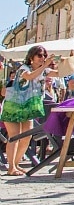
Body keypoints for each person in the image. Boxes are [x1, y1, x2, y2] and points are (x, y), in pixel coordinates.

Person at [2, 45, 56, 176]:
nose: (43, 58)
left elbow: (63, 73)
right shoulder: (23, 69)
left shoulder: (44, 70)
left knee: (26, 136)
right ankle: (11, 167)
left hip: (28, 107)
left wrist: (68, 61)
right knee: (14, 136)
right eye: (40, 55)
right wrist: (45, 66)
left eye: (44, 55)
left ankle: (16, 163)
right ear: (31, 57)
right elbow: (30, 76)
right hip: (13, 105)